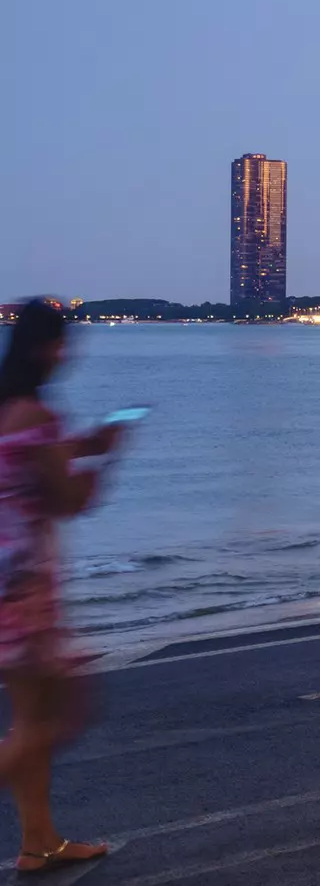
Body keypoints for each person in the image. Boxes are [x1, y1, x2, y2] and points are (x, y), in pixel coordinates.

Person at [0, 301, 124, 875]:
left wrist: (83, 447)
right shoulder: (40, 415)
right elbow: (71, 503)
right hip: (24, 590)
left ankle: (39, 843)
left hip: (9, 583)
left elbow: (23, 459)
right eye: (62, 344)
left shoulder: (10, 410)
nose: (67, 354)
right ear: (45, 348)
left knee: (31, 722)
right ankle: (38, 842)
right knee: (61, 715)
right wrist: (108, 461)